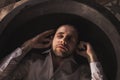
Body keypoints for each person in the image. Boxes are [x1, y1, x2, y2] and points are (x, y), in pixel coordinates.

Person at [0, 24, 105, 80]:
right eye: (60, 36)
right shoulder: (32, 62)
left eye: (70, 39)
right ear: (52, 40)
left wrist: (92, 57)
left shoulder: (81, 72)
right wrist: (28, 45)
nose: (63, 41)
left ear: (76, 45)